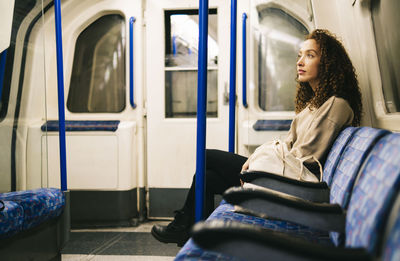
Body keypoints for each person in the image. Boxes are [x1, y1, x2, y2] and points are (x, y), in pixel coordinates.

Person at [151, 29, 363, 246]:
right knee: (207, 177)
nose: (300, 61)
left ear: (328, 64)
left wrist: (258, 164)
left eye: (310, 55)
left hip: (289, 183)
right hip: (282, 174)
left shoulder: (336, 104)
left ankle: (183, 228)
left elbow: (303, 156)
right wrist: (259, 158)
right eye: (300, 55)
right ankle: (193, 231)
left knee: (207, 157)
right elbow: (289, 146)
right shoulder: (315, 103)